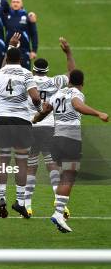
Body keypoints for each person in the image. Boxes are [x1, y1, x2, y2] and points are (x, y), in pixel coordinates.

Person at [33, 70, 108, 233]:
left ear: (69, 81)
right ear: (82, 83)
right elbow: (77, 105)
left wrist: (34, 119)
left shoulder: (57, 94)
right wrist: (98, 113)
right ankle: (59, 213)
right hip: (70, 140)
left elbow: (43, 113)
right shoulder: (76, 93)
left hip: (56, 140)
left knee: (63, 176)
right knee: (69, 175)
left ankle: (59, 212)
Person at [0, 46, 41, 219]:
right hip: (21, 120)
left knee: (3, 160)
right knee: (21, 162)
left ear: (6, 58)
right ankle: (20, 202)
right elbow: (35, 98)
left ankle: (1, 197)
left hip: (2, 120)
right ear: (20, 60)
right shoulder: (26, 74)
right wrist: (40, 109)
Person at [25, 37, 75, 217]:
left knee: (30, 167)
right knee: (52, 166)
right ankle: (59, 201)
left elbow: (3, 72)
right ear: (47, 70)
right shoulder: (55, 82)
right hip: (49, 127)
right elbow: (73, 74)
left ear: (33, 69)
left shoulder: (26, 80)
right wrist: (68, 53)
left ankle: (27, 205)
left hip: (30, 126)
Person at [4, 0, 38, 69]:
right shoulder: (6, 15)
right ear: (11, 3)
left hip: (24, 51)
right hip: (9, 51)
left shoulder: (28, 16)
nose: (15, 4)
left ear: (21, 4)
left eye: (18, 2)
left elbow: (34, 34)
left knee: (25, 76)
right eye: (13, 2)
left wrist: (34, 50)